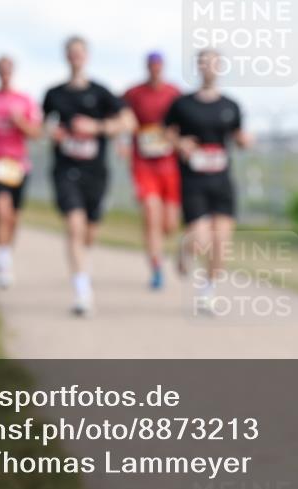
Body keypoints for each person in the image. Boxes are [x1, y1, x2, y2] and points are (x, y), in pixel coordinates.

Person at [42, 36, 136, 316]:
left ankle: (83, 262)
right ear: (66, 57)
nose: (76, 57)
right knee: (74, 226)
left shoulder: (102, 92)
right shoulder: (54, 94)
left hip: (95, 171)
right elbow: (42, 126)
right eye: (71, 53)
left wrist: (96, 127)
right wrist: (52, 132)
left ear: (87, 57)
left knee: (89, 231)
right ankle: (82, 292)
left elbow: (129, 122)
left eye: (80, 53)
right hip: (65, 169)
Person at [164, 49, 251, 314]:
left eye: (213, 62)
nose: (208, 67)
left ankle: (208, 291)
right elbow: (164, 136)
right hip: (193, 180)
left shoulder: (231, 105)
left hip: (221, 180)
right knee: (201, 238)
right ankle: (185, 251)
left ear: (220, 66)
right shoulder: (182, 104)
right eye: (203, 62)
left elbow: (237, 136)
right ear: (198, 67)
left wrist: (244, 141)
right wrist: (180, 143)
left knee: (221, 241)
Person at [0, 56, 42, 288]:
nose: (5, 73)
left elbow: (35, 133)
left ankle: (4, 254)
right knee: (2, 211)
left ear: (13, 72)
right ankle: (3, 263)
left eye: (8, 69)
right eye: (1, 69)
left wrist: (19, 122)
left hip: (18, 165)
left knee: (13, 218)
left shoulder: (25, 100)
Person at [122, 52, 182, 289]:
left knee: (169, 224)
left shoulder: (174, 93)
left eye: (159, 66)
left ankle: (165, 247)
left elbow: (185, 121)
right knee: (151, 213)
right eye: (151, 66)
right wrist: (123, 137)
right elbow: (121, 116)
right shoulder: (134, 93)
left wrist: (175, 136)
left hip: (169, 164)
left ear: (163, 68)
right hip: (143, 162)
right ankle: (156, 267)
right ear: (146, 67)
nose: (155, 70)